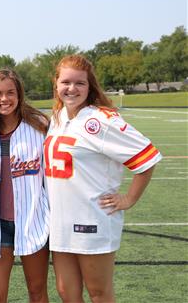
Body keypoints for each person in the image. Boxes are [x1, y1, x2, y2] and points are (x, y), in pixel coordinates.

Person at [45, 55, 162, 303]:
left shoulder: (100, 120)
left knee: (99, 293)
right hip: (59, 221)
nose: (72, 88)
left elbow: (147, 157)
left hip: (92, 220)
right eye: (66, 81)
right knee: (67, 293)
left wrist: (129, 199)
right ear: (56, 83)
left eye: (80, 83)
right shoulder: (57, 118)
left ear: (90, 86)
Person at [0, 69, 50, 303]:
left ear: (19, 94)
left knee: (37, 292)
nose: (4, 99)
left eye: (10, 93)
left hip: (32, 220)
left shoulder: (40, 127)